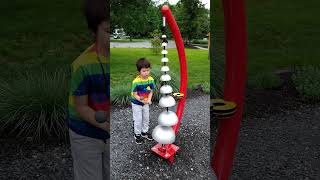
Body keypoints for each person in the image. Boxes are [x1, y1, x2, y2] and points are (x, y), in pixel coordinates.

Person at [67, 0, 110, 179]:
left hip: (107, 128)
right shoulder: (82, 65)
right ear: (94, 31)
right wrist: (107, 126)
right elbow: (81, 107)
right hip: (85, 132)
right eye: (108, 31)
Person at [131, 58, 155, 145]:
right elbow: (134, 94)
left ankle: (144, 132)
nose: (146, 73)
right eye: (144, 71)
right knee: (138, 119)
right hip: (136, 103)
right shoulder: (136, 82)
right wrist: (143, 100)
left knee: (146, 118)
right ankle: (137, 135)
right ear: (139, 71)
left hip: (145, 103)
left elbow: (151, 91)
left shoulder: (151, 80)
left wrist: (149, 99)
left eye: (148, 70)